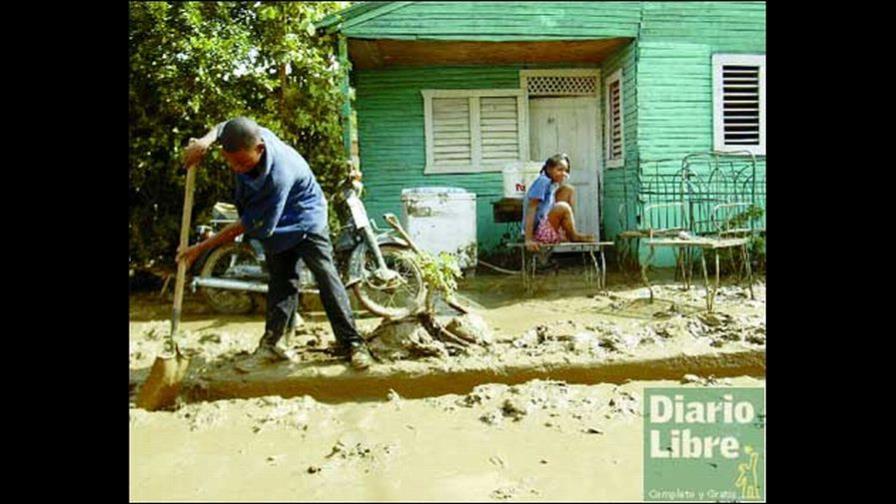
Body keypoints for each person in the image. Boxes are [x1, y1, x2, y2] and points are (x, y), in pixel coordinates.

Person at [176, 117, 375, 371]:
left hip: (305, 217)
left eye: (242, 162)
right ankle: (274, 345)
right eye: (231, 161)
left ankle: (353, 344)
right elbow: (225, 126)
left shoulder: (279, 174)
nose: (236, 168)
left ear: (259, 149)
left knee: (327, 278)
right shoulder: (252, 135)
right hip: (273, 215)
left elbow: (249, 224)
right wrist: (204, 142)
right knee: (281, 281)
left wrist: (200, 249)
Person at [522, 154, 595, 252]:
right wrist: (528, 240)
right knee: (562, 207)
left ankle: (567, 233)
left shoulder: (552, 184)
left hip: (544, 228)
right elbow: (531, 208)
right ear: (549, 169)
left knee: (568, 190)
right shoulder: (543, 181)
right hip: (536, 234)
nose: (564, 173)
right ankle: (573, 235)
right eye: (560, 170)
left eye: (566, 171)